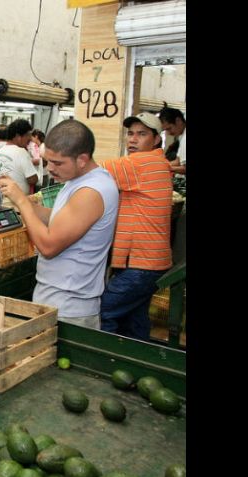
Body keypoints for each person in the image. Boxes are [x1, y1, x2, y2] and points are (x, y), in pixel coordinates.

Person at [0, 120, 119, 329]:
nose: (50, 169)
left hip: (70, 310)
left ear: (82, 159)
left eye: (58, 163)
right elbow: (58, 219)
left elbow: (48, 246)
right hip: (55, 300)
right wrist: (23, 202)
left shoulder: (92, 191)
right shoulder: (76, 180)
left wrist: (21, 201)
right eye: (48, 161)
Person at [97, 112, 172, 341]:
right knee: (135, 319)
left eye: (141, 134)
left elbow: (93, 170)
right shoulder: (160, 162)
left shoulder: (142, 162)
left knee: (103, 312)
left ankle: (104, 363)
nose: (132, 139)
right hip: (152, 262)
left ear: (156, 139)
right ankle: (138, 364)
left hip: (141, 265)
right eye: (130, 133)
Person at [0, 119, 38, 193]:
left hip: (0, 197)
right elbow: (32, 179)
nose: (30, 139)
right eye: (28, 135)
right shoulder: (21, 152)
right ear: (18, 136)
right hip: (16, 201)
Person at [158, 107, 186, 179]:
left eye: (169, 128)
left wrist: (166, 168)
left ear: (178, 121)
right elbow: (179, 161)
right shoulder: (181, 136)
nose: (168, 133)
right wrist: (160, 165)